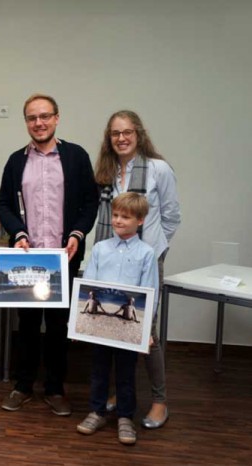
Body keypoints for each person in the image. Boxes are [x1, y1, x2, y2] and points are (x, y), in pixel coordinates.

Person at [0, 93, 98, 416]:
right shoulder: (16, 161)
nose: (38, 123)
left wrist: (77, 235)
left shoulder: (76, 157)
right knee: (26, 325)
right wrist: (19, 233)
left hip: (63, 259)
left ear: (56, 118)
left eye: (44, 116)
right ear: (26, 122)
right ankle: (23, 386)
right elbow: (4, 205)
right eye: (31, 118)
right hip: (28, 259)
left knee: (57, 326)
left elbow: (90, 203)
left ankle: (55, 389)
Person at [94, 110, 181, 429]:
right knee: (115, 328)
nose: (122, 138)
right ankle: (119, 393)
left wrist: (155, 250)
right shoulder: (106, 172)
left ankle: (160, 401)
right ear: (109, 138)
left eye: (127, 132)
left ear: (139, 134)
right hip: (111, 259)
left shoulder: (159, 169)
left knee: (147, 333)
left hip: (145, 261)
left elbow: (172, 216)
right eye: (115, 133)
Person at [76, 192, 159, 445]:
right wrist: (81, 322)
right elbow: (88, 286)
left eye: (125, 217)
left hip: (127, 328)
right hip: (101, 325)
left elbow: (150, 293)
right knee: (99, 370)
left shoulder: (147, 253)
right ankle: (97, 411)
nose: (118, 221)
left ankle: (125, 417)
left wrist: (146, 332)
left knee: (125, 373)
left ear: (140, 221)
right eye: (115, 215)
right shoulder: (101, 249)